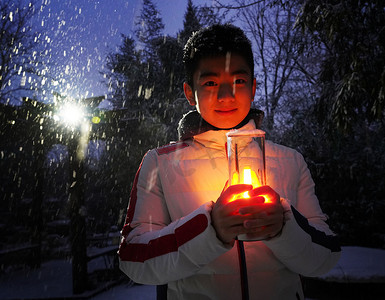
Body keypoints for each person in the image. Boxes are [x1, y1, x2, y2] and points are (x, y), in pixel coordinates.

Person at [118, 24, 341, 300]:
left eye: (239, 81)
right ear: (190, 93)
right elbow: (133, 259)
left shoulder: (290, 161)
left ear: (253, 86)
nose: (226, 95)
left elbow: (326, 256)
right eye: (210, 83)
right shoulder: (160, 165)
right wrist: (210, 228)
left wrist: (285, 227)